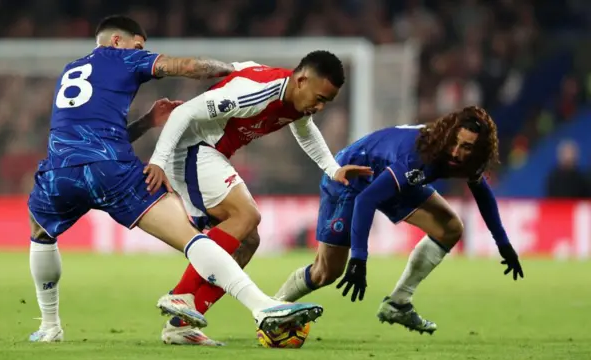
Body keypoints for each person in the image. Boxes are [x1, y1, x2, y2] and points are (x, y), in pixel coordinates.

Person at [27, 15, 324, 343]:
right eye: (139, 45)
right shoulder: (123, 56)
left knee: (41, 234)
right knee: (191, 238)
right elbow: (184, 66)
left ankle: (49, 326)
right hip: (111, 171)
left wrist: (146, 122)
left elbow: (93, 134)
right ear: (117, 41)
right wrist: (235, 72)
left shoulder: (69, 72)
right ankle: (261, 306)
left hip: (58, 172)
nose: (142, 50)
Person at [147, 52, 372, 345]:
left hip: (209, 152)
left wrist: (333, 169)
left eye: (325, 103)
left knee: (248, 240)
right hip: (191, 148)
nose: (318, 107)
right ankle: (182, 295)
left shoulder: (297, 103)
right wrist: (158, 161)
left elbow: (306, 132)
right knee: (246, 214)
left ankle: (180, 325)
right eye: (318, 98)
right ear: (301, 79)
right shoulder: (256, 93)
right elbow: (183, 113)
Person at [274, 106, 524, 334]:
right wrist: (359, 260)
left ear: (478, 149)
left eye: (467, 147)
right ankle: (272, 309)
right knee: (326, 272)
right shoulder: (423, 155)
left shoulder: (466, 159)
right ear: (448, 135)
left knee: (450, 228)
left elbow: (481, 191)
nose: (457, 153)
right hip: (352, 177)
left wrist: (503, 243)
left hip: (395, 178)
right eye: (455, 143)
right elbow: (366, 201)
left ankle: (399, 302)